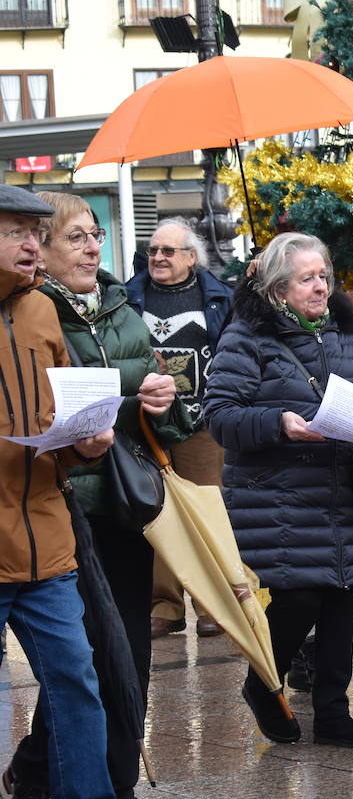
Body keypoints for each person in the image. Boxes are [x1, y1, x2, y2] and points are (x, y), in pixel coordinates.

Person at [10, 190, 189, 799]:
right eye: (78, 238)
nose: (95, 249)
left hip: (126, 500)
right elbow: (64, 394)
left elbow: (160, 409)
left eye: (96, 237)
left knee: (128, 660)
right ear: (45, 253)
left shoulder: (116, 303)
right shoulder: (32, 309)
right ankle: (39, 776)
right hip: (67, 507)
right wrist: (127, 385)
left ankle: (116, 797)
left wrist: (165, 400)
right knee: (81, 663)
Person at [0, 185, 135, 799]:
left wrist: (84, 442)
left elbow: (61, 408)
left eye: (34, 230)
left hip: (47, 538)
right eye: (18, 232)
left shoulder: (40, 310)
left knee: (76, 682)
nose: (33, 244)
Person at [204, 232, 353, 749]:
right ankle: (263, 686)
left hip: (339, 487)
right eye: (308, 279)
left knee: (344, 597)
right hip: (276, 494)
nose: (322, 287)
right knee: (299, 598)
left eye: (324, 275)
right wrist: (280, 422)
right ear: (279, 289)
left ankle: (333, 714)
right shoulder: (247, 336)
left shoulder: (343, 330)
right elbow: (220, 417)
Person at [126, 217, 233, 640]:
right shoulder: (129, 297)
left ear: (192, 256)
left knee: (207, 512)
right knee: (157, 512)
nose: (158, 257)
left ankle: (212, 604)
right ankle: (165, 606)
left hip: (202, 425)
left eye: (168, 251)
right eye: (153, 250)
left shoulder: (221, 297)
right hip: (149, 423)